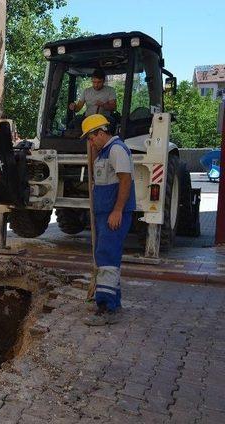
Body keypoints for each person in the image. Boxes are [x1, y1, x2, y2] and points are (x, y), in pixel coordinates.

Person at [81, 114, 136, 326]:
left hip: (114, 213)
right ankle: (114, 302)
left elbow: (125, 180)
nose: (90, 142)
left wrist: (118, 210)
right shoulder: (104, 152)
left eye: (91, 137)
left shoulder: (116, 150)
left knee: (106, 256)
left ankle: (106, 308)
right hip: (105, 213)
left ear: (101, 133)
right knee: (107, 257)